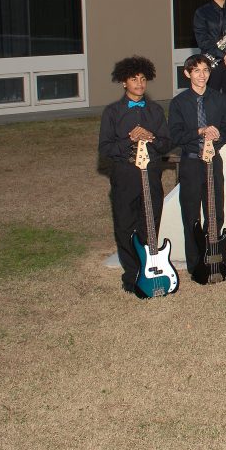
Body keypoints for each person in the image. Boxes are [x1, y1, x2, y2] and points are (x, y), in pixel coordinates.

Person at [98, 56, 171, 296]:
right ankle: (132, 274)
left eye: (142, 79)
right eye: (133, 79)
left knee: (150, 222)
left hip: (151, 175)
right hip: (125, 175)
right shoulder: (112, 112)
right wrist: (129, 138)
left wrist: (151, 137)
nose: (139, 84)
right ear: (123, 82)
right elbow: (106, 149)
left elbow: (166, 144)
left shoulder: (155, 110)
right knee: (125, 224)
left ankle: (151, 266)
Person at [168, 54, 226, 276]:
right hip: (190, 162)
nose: (202, 75)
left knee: (215, 211)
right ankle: (195, 264)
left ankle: (214, 257)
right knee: (191, 214)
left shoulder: (219, 99)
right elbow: (175, 135)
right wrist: (199, 131)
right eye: (196, 71)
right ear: (187, 73)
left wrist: (218, 136)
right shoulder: (178, 103)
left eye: (205, 70)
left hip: (212, 161)